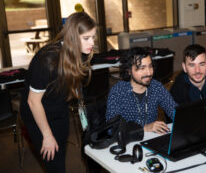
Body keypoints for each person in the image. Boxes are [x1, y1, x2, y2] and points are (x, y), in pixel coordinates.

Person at [20, 12, 96, 172]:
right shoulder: (48, 61)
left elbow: (78, 93)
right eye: (87, 38)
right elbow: (33, 102)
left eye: (93, 37)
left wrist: (85, 125)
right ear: (73, 37)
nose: (92, 43)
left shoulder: (80, 54)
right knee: (54, 163)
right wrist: (47, 136)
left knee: (59, 154)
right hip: (37, 112)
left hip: (59, 108)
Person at [106, 47, 177, 134]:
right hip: (127, 143)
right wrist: (143, 128)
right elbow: (111, 129)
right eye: (142, 68)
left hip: (151, 140)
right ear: (129, 71)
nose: (149, 72)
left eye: (150, 66)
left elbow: (175, 111)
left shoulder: (156, 87)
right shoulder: (118, 91)